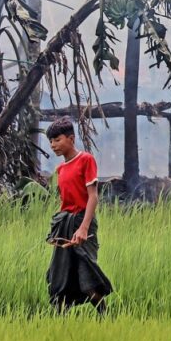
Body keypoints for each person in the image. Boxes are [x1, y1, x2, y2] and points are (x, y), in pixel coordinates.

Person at [45, 117, 112, 313]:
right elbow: (65, 202)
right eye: (50, 141)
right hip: (66, 223)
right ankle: (60, 328)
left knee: (87, 277)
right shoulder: (60, 169)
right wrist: (56, 230)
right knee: (60, 276)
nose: (53, 145)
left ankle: (105, 317)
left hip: (83, 223)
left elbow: (93, 197)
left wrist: (83, 228)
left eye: (57, 140)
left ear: (71, 139)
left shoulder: (86, 160)